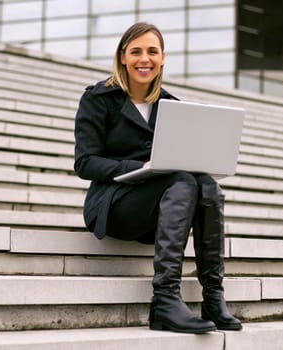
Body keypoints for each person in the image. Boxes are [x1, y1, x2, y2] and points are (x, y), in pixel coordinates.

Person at [74, 22, 242, 334]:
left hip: (163, 206)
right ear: (123, 56)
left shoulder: (173, 106)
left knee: (207, 185)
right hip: (114, 205)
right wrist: (139, 167)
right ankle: (165, 300)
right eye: (136, 51)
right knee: (182, 181)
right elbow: (85, 163)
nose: (144, 59)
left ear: (163, 58)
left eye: (152, 51)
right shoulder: (99, 99)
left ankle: (213, 298)